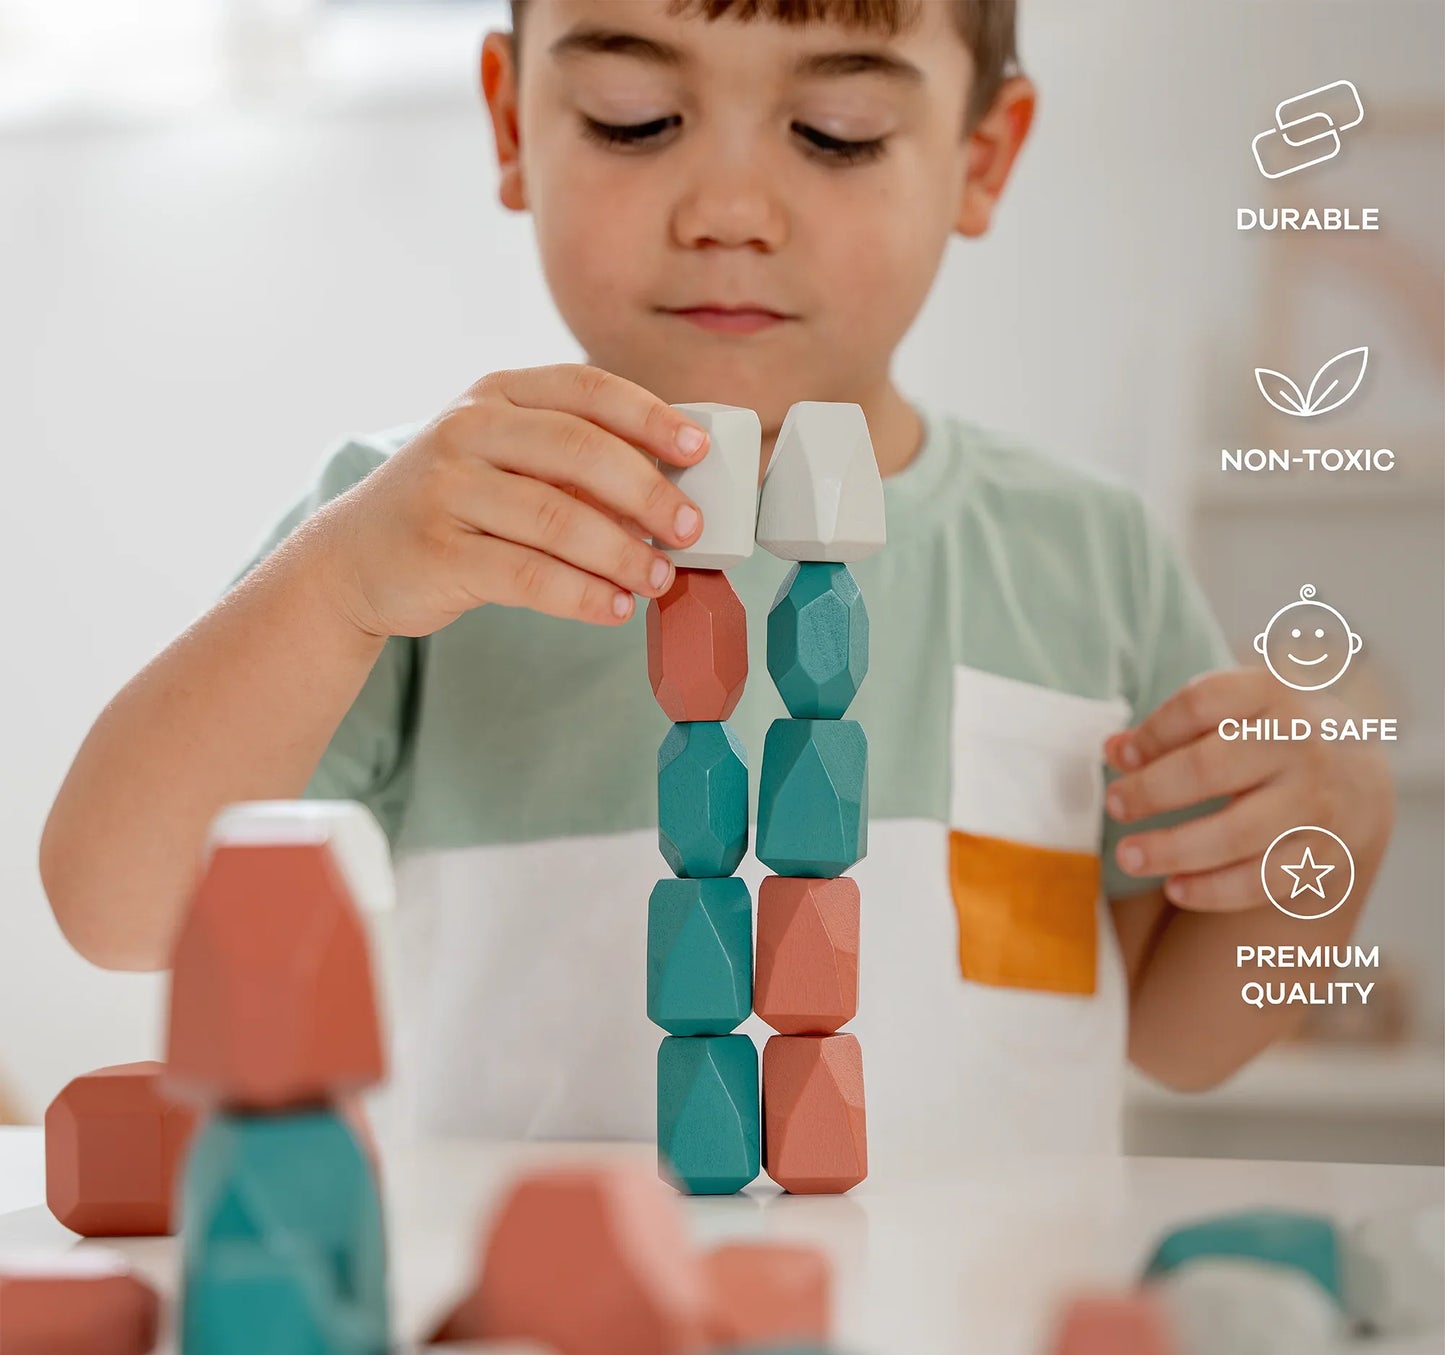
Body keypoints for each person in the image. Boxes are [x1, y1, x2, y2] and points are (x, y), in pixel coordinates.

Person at [40, 0, 1392, 1161]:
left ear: (979, 158)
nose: (729, 212)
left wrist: (1318, 858)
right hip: (560, 1347)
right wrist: (334, 587)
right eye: (634, 118)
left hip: (982, 1351)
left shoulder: (1088, 551)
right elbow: (116, 905)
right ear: (514, 125)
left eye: (836, 134)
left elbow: (1180, 1034)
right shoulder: (409, 533)